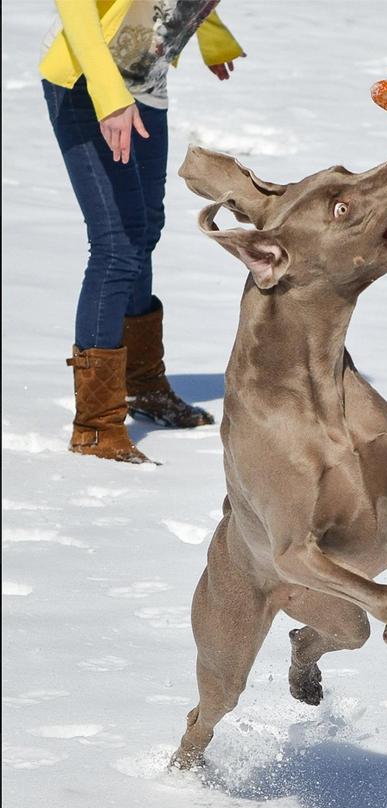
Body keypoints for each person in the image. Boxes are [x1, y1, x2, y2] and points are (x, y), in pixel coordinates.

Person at [40, 1, 245, 463]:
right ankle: (96, 425)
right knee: (116, 244)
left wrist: (213, 39)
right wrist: (109, 96)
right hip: (90, 87)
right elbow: (76, 12)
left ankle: (144, 386)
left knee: (143, 231)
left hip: (145, 90)